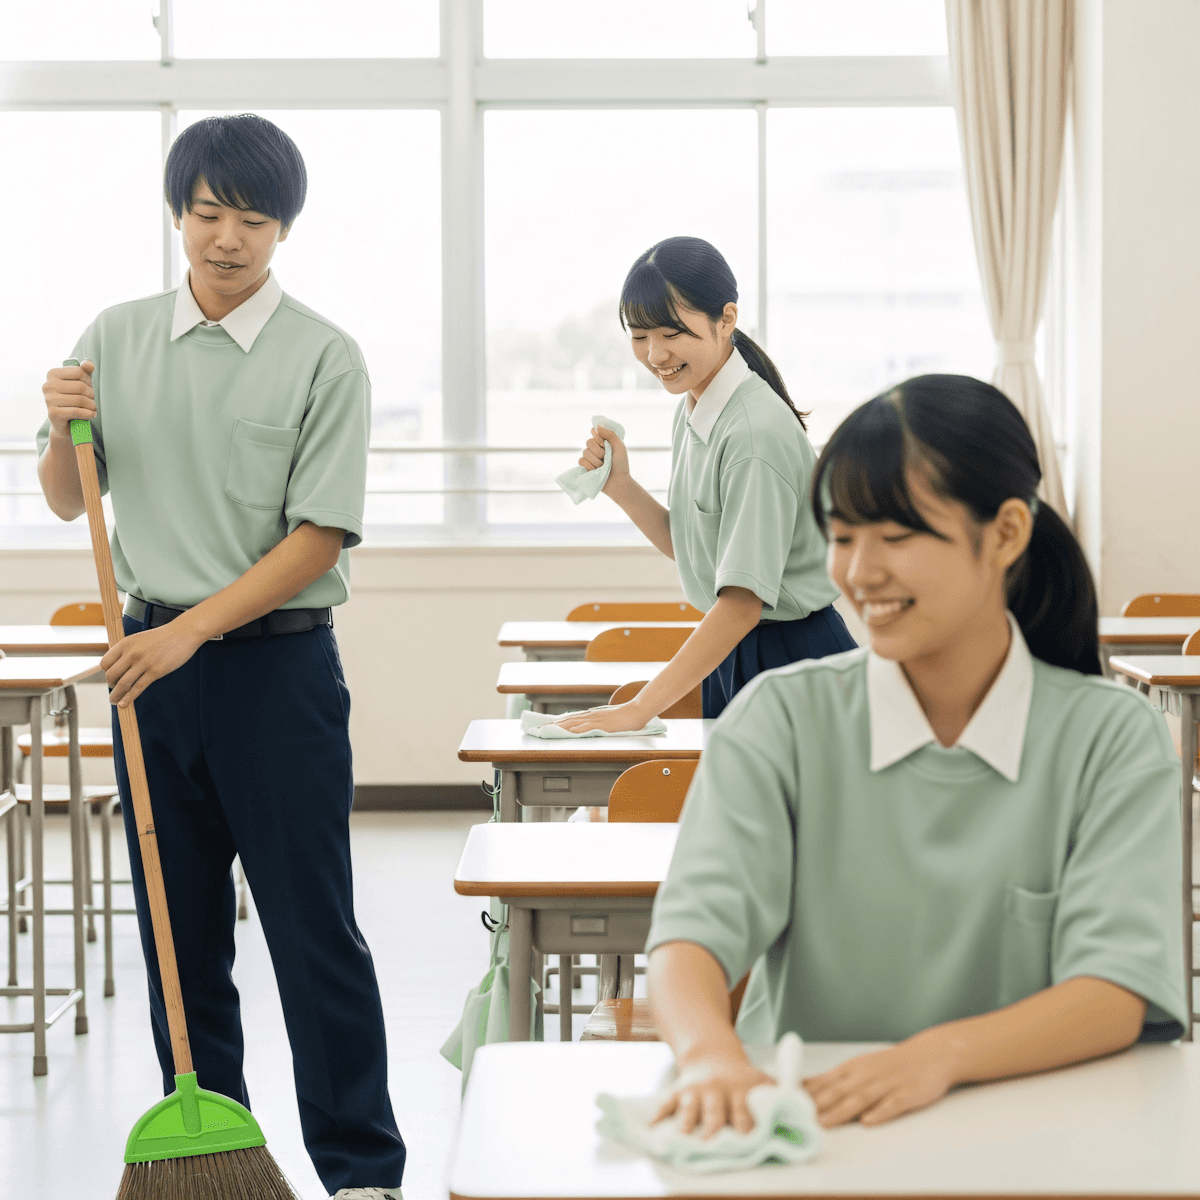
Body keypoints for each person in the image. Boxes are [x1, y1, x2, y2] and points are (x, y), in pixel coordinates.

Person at [644, 374, 1187, 1136]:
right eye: (840, 537)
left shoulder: (1112, 738)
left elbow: (1114, 989)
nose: (860, 573)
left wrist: (938, 1057)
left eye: (896, 537)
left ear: (1004, 533)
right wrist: (707, 1054)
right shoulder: (780, 720)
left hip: (1041, 1141)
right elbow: (691, 937)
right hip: (816, 1136)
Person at [37, 114, 404, 1200]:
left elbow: (319, 536)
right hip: (149, 673)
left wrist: (191, 630)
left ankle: (362, 1171)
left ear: (284, 229)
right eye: (208, 214)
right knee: (177, 935)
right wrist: (61, 428)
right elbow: (72, 501)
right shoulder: (115, 332)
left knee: (312, 932)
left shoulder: (323, 355)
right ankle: (215, 1155)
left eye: (252, 219)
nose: (227, 239)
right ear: (178, 213)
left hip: (274, 673)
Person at [557, 236, 855, 732]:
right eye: (639, 336)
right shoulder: (695, 410)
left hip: (792, 660)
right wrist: (621, 486)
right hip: (743, 653)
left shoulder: (753, 433)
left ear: (726, 320)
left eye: (672, 333)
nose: (655, 354)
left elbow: (741, 603)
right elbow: (697, 549)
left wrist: (637, 710)